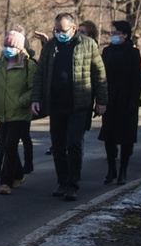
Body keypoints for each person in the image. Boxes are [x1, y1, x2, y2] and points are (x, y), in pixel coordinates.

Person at [30, 12, 107, 201]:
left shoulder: (87, 45)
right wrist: (36, 98)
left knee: (73, 143)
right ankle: (62, 181)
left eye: (62, 30)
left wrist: (102, 101)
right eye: (56, 30)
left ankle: (73, 183)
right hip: (56, 103)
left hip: (79, 104)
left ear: (73, 28)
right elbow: (40, 74)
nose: (58, 33)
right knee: (57, 146)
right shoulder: (50, 47)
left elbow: (99, 74)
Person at [0, 30, 36, 195]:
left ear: (19, 48)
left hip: (19, 112)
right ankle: (18, 174)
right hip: (1, 111)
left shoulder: (29, 65)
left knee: (10, 146)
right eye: (5, 45)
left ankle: (5, 181)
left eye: (11, 45)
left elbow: (34, 89)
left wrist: (20, 102)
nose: (7, 49)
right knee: (7, 146)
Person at [98, 21, 141, 185]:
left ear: (124, 34)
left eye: (115, 33)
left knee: (126, 138)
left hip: (127, 101)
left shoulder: (133, 53)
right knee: (109, 137)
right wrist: (100, 98)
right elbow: (101, 76)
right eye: (111, 33)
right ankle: (111, 168)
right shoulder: (107, 51)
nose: (112, 36)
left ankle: (123, 169)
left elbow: (137, 78)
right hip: (110, 100)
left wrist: (134, 100)